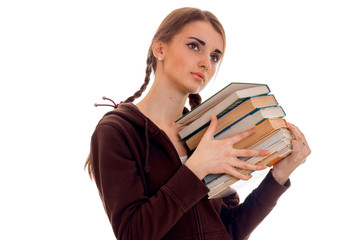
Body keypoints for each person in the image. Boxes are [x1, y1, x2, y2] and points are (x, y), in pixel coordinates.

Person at [85, 7, 311, 240]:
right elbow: (133, 234)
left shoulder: (206, 133)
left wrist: (278, 178)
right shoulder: (117, 132)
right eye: (194, 46)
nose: (206, 63)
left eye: (215, 57)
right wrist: (197, 168)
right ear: (160, 48)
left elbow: (229, 231)